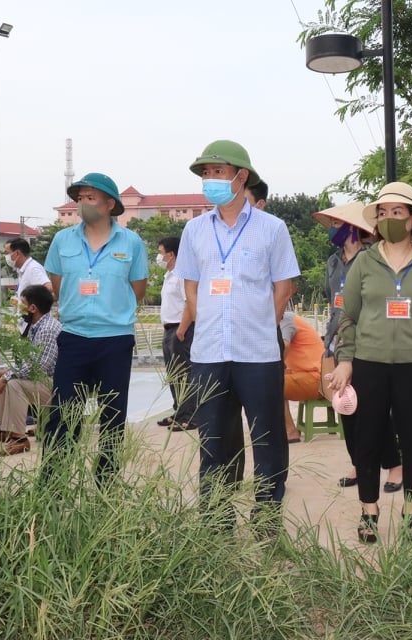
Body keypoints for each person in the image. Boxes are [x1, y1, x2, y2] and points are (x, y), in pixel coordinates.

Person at [175, 140, 300, 529]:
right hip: (210, 353)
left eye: (217, 172)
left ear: (240, 176)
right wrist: (204, 319)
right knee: (214, 443)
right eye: (205, 174)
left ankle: (265, 521)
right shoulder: (194, 230)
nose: (210, 180)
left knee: (268, 441)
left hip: (258, 353)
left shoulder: (272, 228)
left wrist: (263, 321)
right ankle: (216, 524)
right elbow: (191, 285)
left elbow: (285, 285)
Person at [325, 182, 412, 543]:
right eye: (382, 213)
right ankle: (369, 511)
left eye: (397, 212)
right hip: (368, 363)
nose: (388, 219)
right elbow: (348, 316)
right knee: (366, 438)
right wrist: (345, 361)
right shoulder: (365, 262)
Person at [41, 172, 148, 486]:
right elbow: (59, 285)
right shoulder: (63, 240)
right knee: (63, 416)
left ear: (109, 204)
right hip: (74, 337)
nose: (82, 203)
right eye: (80, 198)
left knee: (112, 417)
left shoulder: (131, 242)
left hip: (114, 339)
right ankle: (52, 487)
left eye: (90, 198)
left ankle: (106, 488)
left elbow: (137, 289)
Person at [312, 202, 403, 492]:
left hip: (369, 343)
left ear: (353, 228)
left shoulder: (374, 259)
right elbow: (333, 301)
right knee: (346, 406)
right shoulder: (332, 262)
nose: (333, 231)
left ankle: (395, 466)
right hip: (338, 341)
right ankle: (358, 463)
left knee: (374, 409)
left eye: (338, 225)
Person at [0, 285, 62, 456]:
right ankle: (4, 431)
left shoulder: (48, 329)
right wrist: (7, 373)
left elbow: (40, 367)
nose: (17, 307)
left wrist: (7, 376)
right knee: (7, 379)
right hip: (43, 381)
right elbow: (31, 364)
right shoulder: (36, 326)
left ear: (33, 308)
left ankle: (19, 439)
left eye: (21, 303)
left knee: (13, 384)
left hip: (54, 385)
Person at [156, 236, 197, 432]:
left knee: (185, 374)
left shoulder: (182, 275)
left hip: (181, 329)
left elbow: (189, 301)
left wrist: (182, 328)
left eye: (161, 253)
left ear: (171, 254)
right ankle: (179, 411)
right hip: (169, 328)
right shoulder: (169, 275)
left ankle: (189, 416)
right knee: (174, 375)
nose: (159, 257)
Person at [279, 311, 324, 442]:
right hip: (308, 374)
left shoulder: (285, 319)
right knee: (267, 380)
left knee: (271, 383)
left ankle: (290, 431)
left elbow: (284, 344)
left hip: (316, 378)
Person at [4, 238, 52, 335]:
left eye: (7, 253)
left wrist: (30, 306)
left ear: (17, 253)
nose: (6, 257)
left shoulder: (33, 269)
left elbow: (48, 287)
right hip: (25, 323)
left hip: (34, 323)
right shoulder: (22, 271)